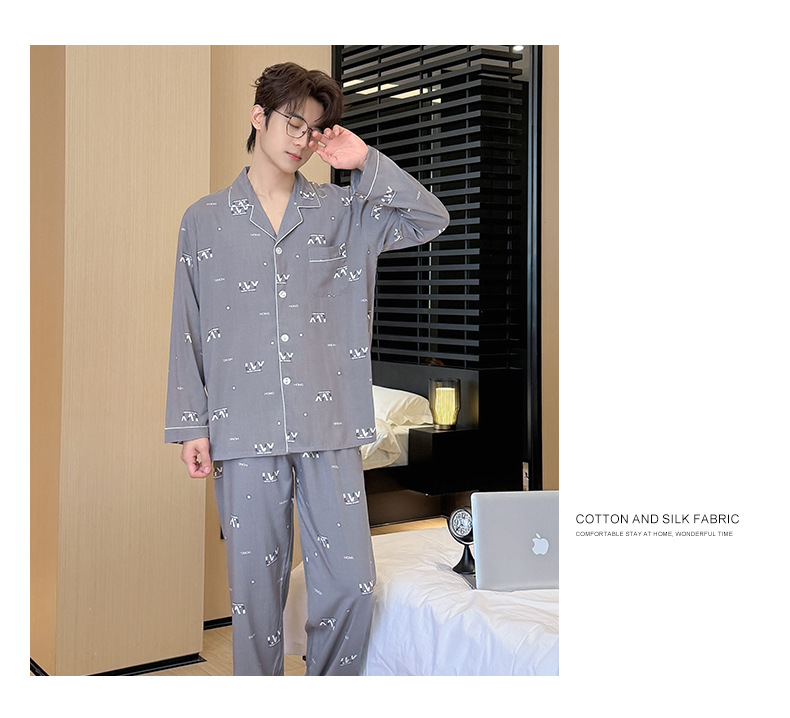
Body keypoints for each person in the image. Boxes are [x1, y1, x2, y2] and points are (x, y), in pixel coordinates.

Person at [164, 62, 449, 676]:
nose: (302, 138)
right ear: (258, 116)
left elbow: (431, 219)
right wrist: (191, 425)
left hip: (330, 424)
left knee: (350, 583)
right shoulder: (204, 220)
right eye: (293, 122)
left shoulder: (344, 212)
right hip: (242, 426)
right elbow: (187, 325)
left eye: (314, 128)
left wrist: (363, 160)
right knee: (255, 600)